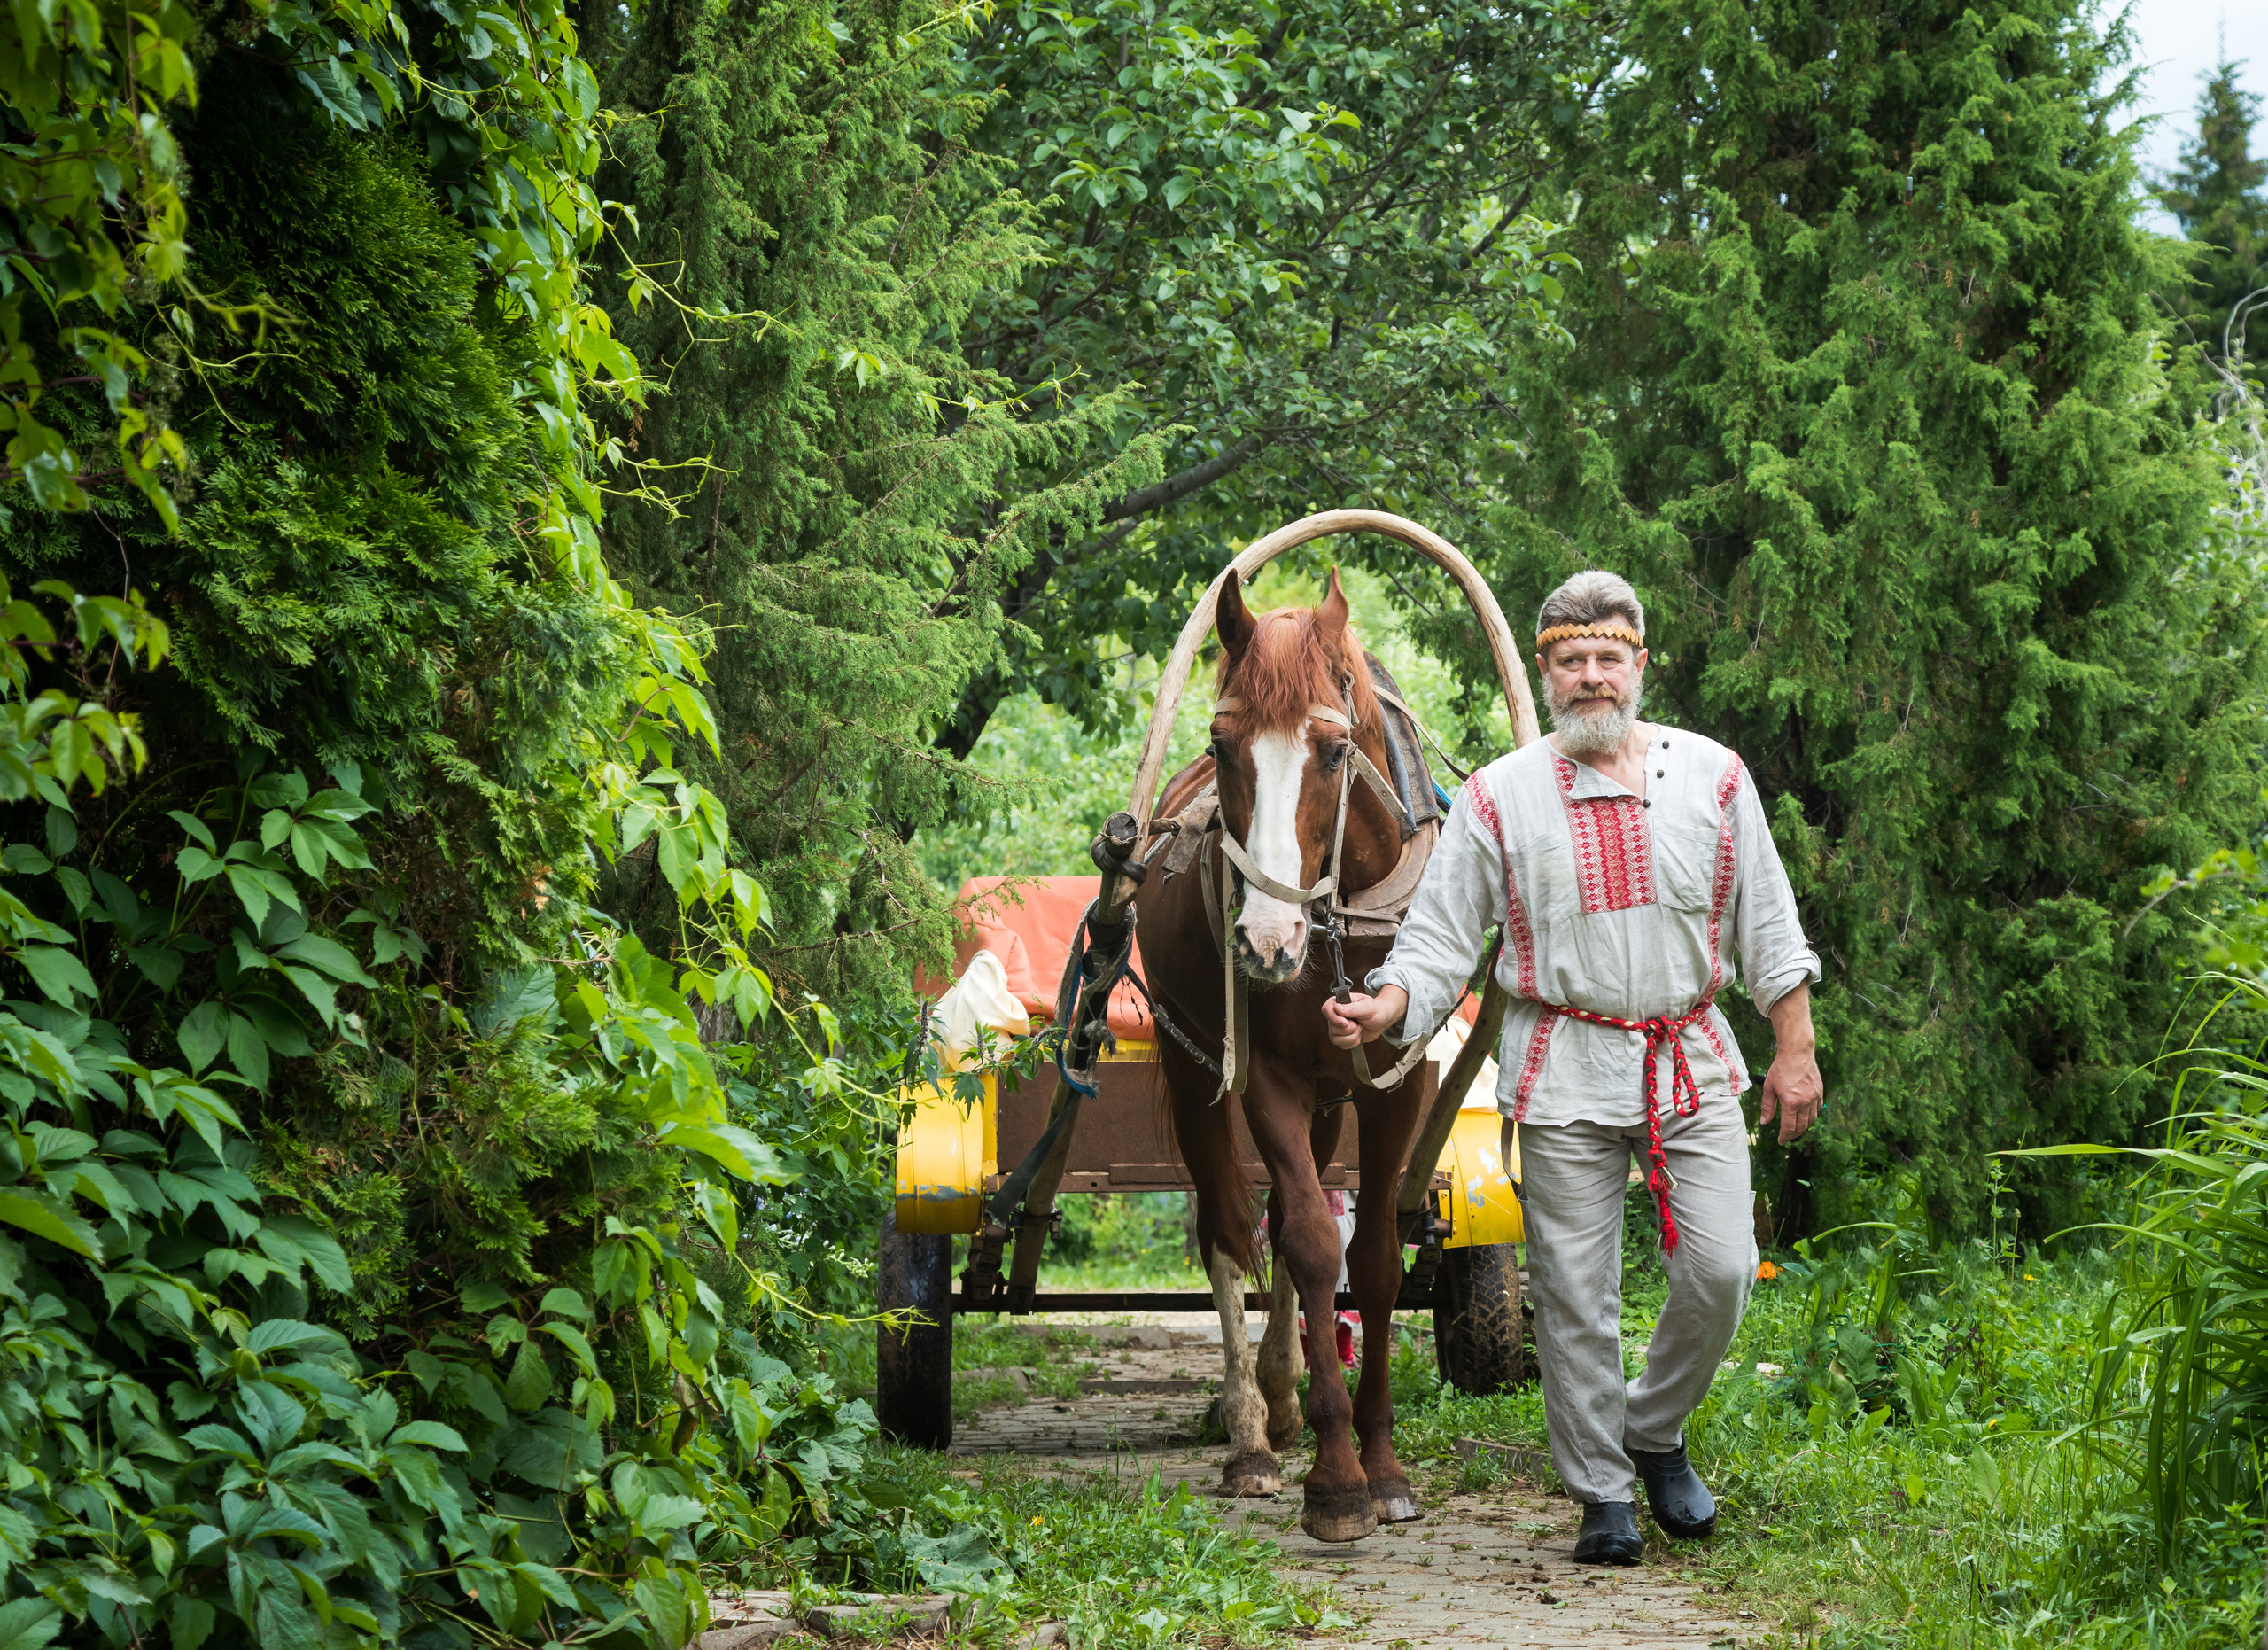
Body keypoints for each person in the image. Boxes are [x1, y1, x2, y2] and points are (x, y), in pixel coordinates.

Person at [1323, 570, 1823, 1566]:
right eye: (1569, 659)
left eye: (1607, 656)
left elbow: (1766, 919)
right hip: (1563, 1061)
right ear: (1547, 671)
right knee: (1573, 1289)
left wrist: (1795, 1047)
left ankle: (1650, 1428)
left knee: (1722, 1267)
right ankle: (1602, 1491)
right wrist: (1387, 1002)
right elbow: (1437, 936)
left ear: (1640, 663)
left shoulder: (1716, 775)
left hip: (1688, 1055)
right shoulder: (1498, 795)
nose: (1590, 676)